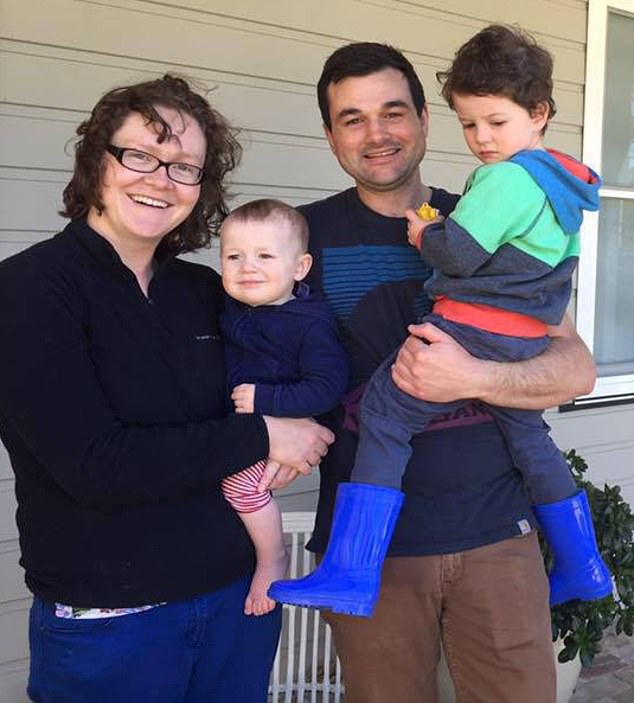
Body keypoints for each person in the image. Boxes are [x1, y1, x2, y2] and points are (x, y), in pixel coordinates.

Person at [268, 41, 596, 702]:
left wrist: (473, 377)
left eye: (393, 111)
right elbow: (263, 357)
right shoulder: (297, 238)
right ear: (331, 134)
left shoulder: (490, 209)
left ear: (422, 117)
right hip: (379, 556)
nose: (377, 132)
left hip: (499, 536)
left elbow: (576, 368)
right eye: (353, 118)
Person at [0, 74, 334, 703]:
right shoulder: (28, 292)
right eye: (140, 155)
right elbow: (96, 466)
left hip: (236, 600)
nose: (160, 179)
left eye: (184, 167)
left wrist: (301, 429)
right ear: (96, 160)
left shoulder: (207, 292)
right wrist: (262, 432)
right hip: (111, 624)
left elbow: (287, 364)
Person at [218, 198, 348, 616]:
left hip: (277, 427)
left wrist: (267, 400)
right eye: (233, 257)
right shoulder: (234, 311)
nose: (247, 267)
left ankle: (272, 558)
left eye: (265, 256)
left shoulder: (309, 323)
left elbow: (328, 387)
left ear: (300, 268)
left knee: (238, 487)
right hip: (242, 431)